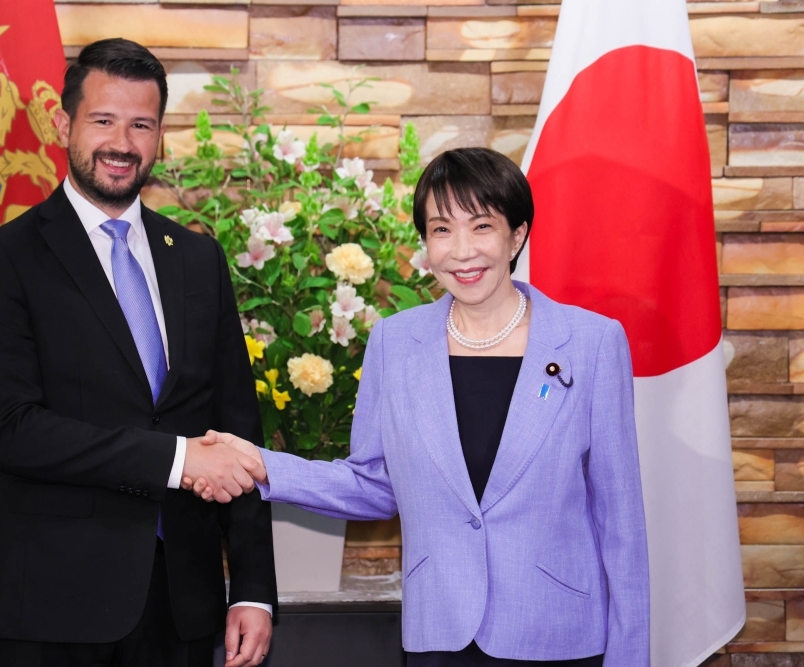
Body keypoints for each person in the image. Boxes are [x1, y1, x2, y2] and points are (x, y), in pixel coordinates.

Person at [190, 148, 650, 665]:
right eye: (441, 230)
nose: (462, 251)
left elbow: (621, 524)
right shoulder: (395, 342)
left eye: (482, 226)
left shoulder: (591, 343)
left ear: (517, 235)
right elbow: (373, 484)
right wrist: (261, 465)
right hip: (440, 634)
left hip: (558, 637)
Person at [0, 38, 276, 667]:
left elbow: (238, 431)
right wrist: (178, 459)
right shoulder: (3, 259)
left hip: (183, 607)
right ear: (63, 125)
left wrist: (253, 589)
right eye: (103, 120)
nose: (122, 143)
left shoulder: (198, 259)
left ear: (160, 136)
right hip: (54, 607)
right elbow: (12, 430)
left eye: (141, 125)